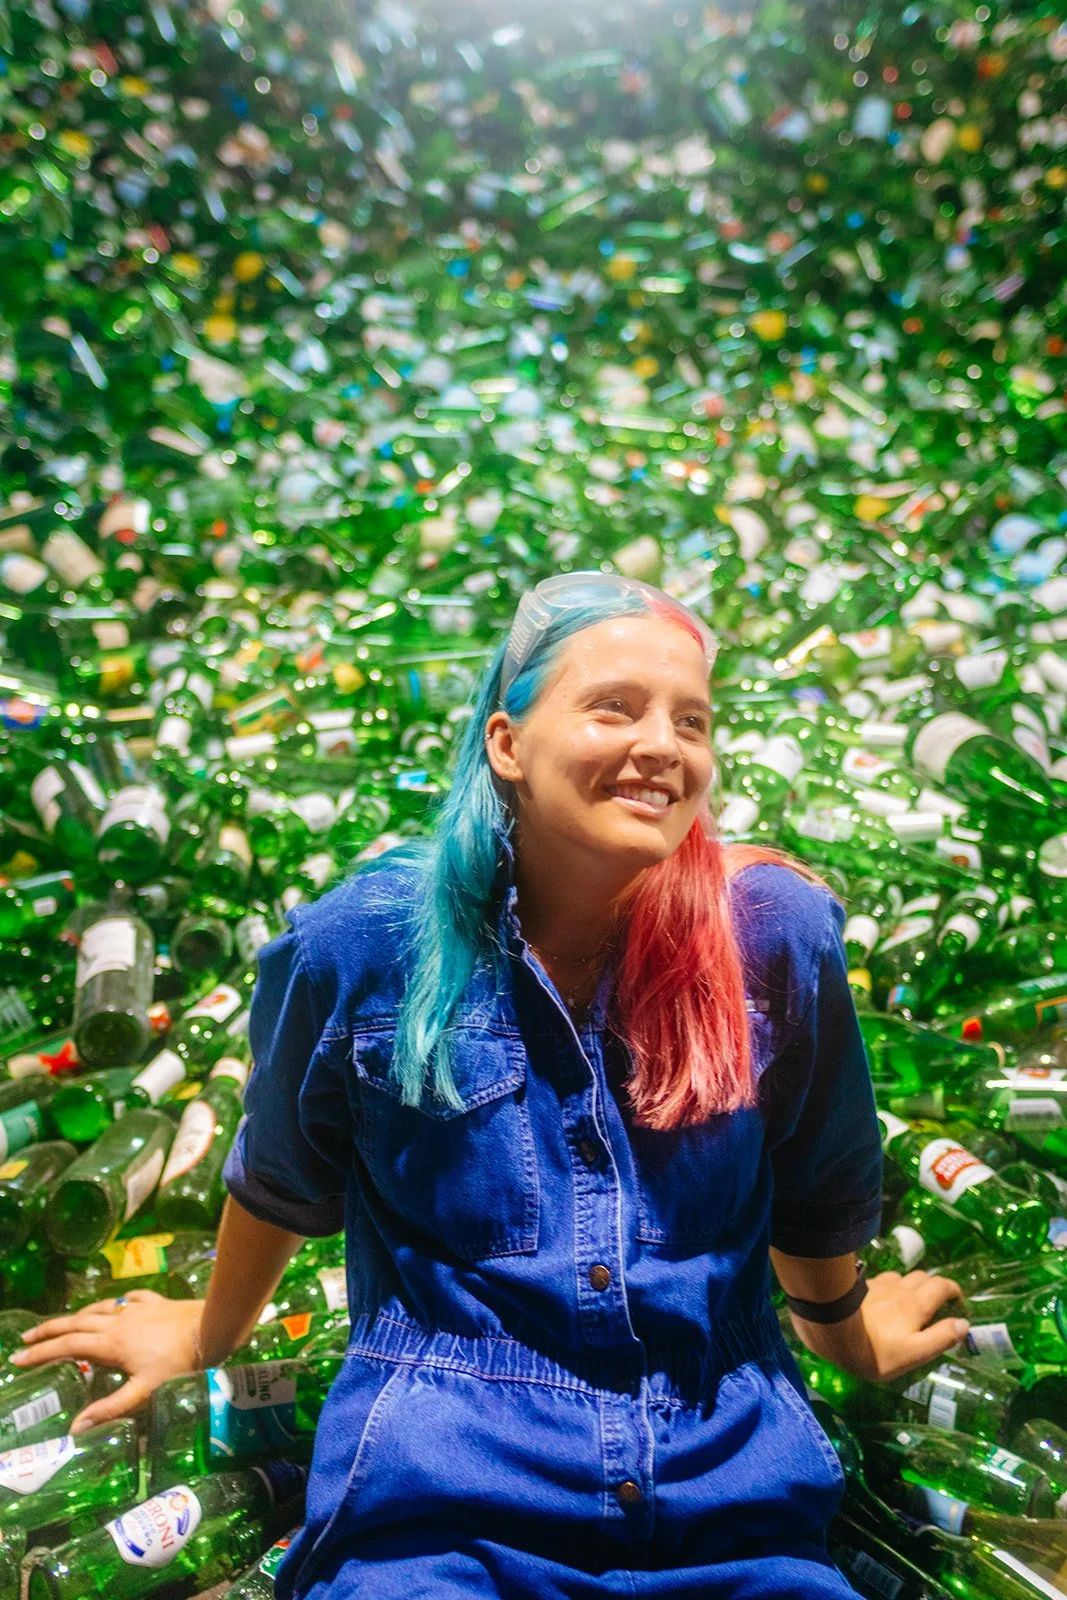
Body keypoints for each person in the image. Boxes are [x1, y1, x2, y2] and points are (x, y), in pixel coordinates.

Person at [12, 571, 971, 1599]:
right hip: (441, 1511)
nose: (662, 744)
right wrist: (208, 1333)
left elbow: (816, 1186)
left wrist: (849, 1329)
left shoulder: (774, 933)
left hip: (728, 1499)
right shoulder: (364, 942)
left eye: (691, 720)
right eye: (614, 706)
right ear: (506, 744)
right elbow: (281, 1176)